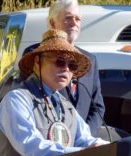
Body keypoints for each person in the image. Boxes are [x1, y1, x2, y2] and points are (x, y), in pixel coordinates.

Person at [23, 0, 105, 136]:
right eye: (68, 18)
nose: (74, 23)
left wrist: (82, 139)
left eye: (78, 19)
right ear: (52, 23)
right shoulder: (36, 55)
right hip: (49, 142)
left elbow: (97, 108)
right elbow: (29, 98)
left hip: (82, 148)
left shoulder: (90, 60)